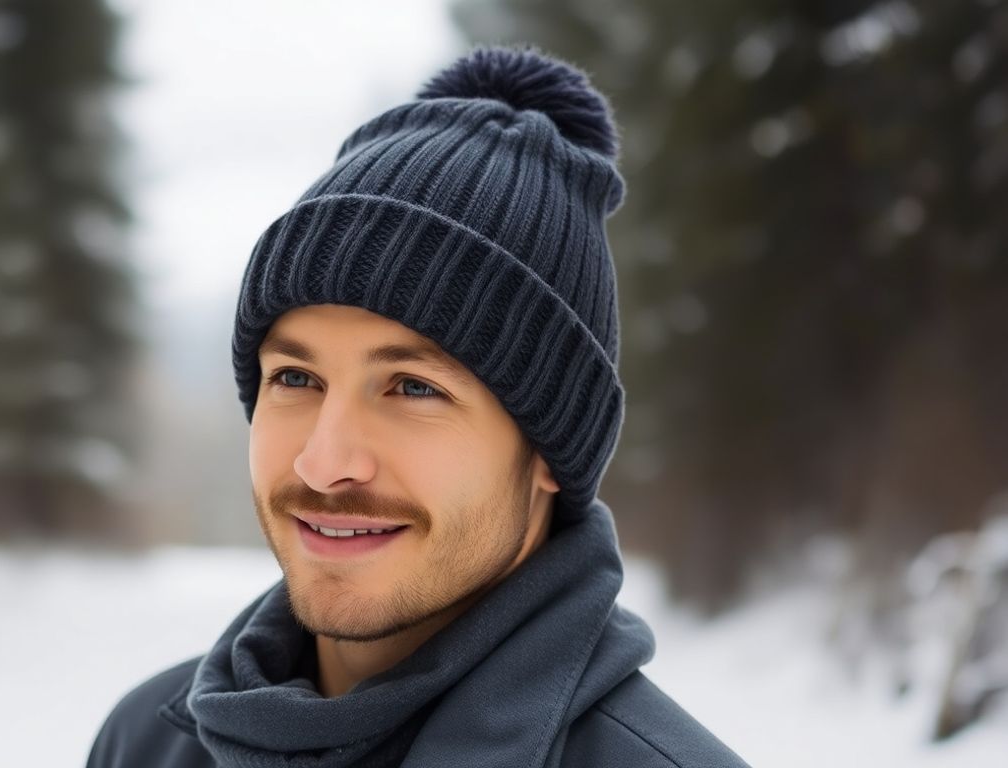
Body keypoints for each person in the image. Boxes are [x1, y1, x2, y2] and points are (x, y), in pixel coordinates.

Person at [87, 45, 749, 767]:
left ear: (551, 449)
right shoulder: (148, 744)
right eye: (296, 379)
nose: (324, 461)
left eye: (413, 387)